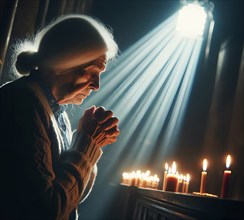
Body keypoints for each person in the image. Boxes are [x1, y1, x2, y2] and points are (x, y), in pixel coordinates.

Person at [0, 14, 120, 220]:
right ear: (63, 65)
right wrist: (87, 143)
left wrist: (89, 143)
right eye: (92, 71)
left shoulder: (57, 113)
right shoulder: (23, 101)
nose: (96, 85)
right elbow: (48, 211)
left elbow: (71, 200)